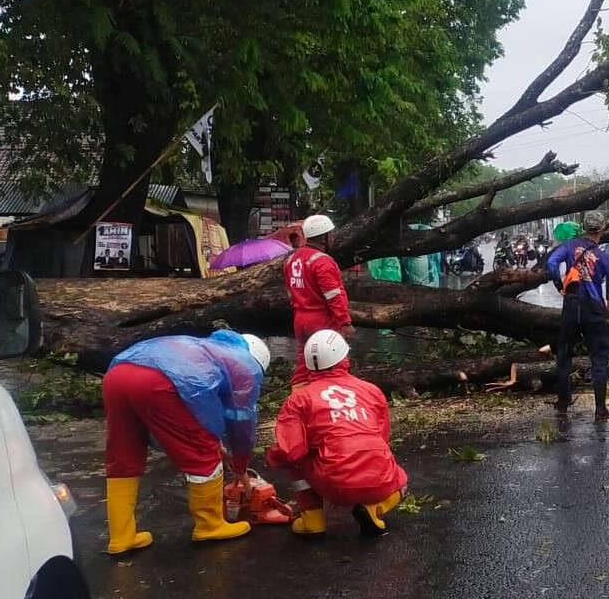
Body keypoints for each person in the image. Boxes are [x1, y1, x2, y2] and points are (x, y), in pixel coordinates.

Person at [102, 330, 271, 552]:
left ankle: (121, 537)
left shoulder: (205, 348)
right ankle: (210, 526)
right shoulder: (243, 364)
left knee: (123, 453)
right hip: (160, 383)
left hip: (117, 375)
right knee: (201, 452)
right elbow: (241, 420)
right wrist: (240, 465)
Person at [266, 329, 408, 538]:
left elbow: (291, 451)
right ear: (344, 356)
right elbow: (381, 438)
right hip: (380, 478)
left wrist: (272, 458)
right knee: (403, 481)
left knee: (297, 462)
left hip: (332, 483)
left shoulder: (298, 400)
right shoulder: (372, 391)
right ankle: (376, 509)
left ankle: (313, 520)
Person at [547, 211, 609, 418]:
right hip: (593, 310)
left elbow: (551, 263)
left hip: (571, 306)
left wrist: (559, 285)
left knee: (564, 356)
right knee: (599, 358)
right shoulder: (603, 256)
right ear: (601, 230)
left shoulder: (569, 246)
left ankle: (563, 403)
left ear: (584, 227)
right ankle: (600, 409)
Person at [283, 214, 353, 384]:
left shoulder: (291, 259)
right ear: (325, 237)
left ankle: (299, 399)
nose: (334, 237)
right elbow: (334, 295)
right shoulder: (322, 261)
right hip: (321, 320)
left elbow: (289, 291)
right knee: (335, 360)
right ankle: (333, 396)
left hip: (300, 318)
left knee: (304, 362)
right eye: (332, 234)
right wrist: (345, 322)